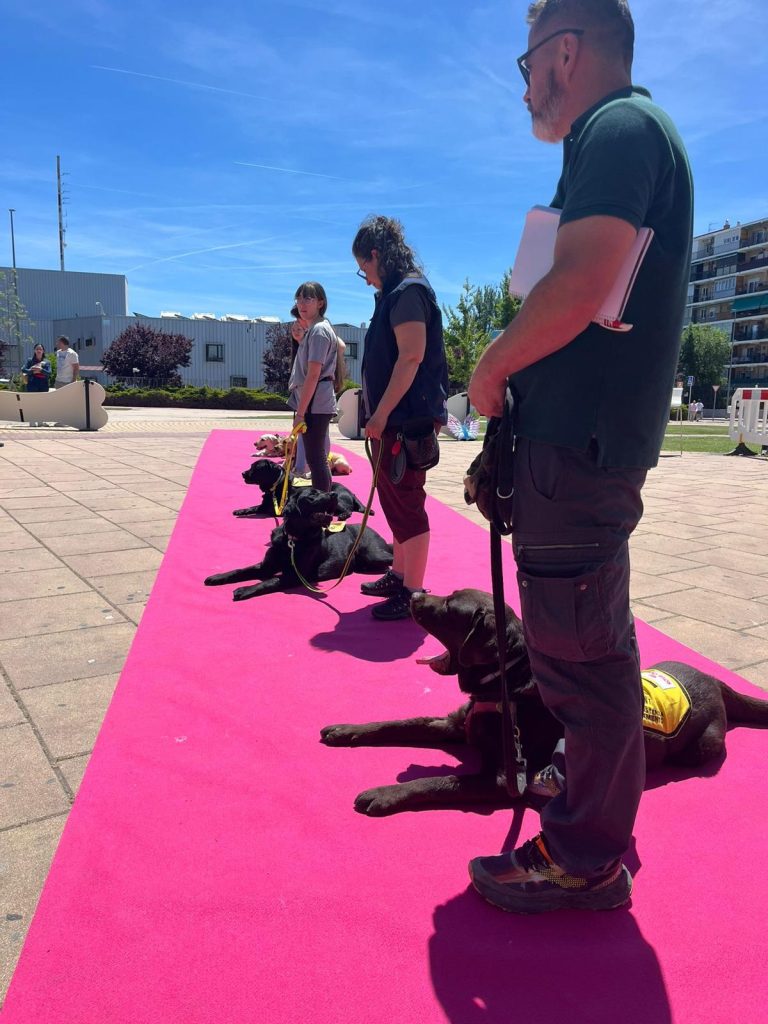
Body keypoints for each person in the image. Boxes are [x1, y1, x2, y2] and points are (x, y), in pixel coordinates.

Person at [466, 0, 693, 913]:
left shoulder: (620, 127)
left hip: (580, 447)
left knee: (580, 654)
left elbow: (581, 280)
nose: (525, 89)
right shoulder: (621, 132)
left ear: (565, 53)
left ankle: (584, 858)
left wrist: (491, 365)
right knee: (585, 642)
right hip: (578, 444)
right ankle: (592, 815)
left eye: (527, 68)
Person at [353, 215, 448, 621]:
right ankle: (399, 573)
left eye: (364, 269)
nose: (366, 279)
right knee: (394, 500)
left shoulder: (408, 292)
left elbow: (411, 357)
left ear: (376, 255)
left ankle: (413, 593)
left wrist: (380, 414)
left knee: (407, 503)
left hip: (406, 421)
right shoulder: (395, 293)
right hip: (396, 420)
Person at [286, 283, 337, 492]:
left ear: (320, 303)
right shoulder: (315, 330)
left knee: (316, 458)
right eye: (299, 299)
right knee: (316, 457)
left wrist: (301, 413)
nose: (301, 304)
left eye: (308, 299)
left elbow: (313, 374)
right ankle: (324, 500)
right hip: (315, 401)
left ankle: (323, 503)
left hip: (315, 403)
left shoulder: (318, 331)